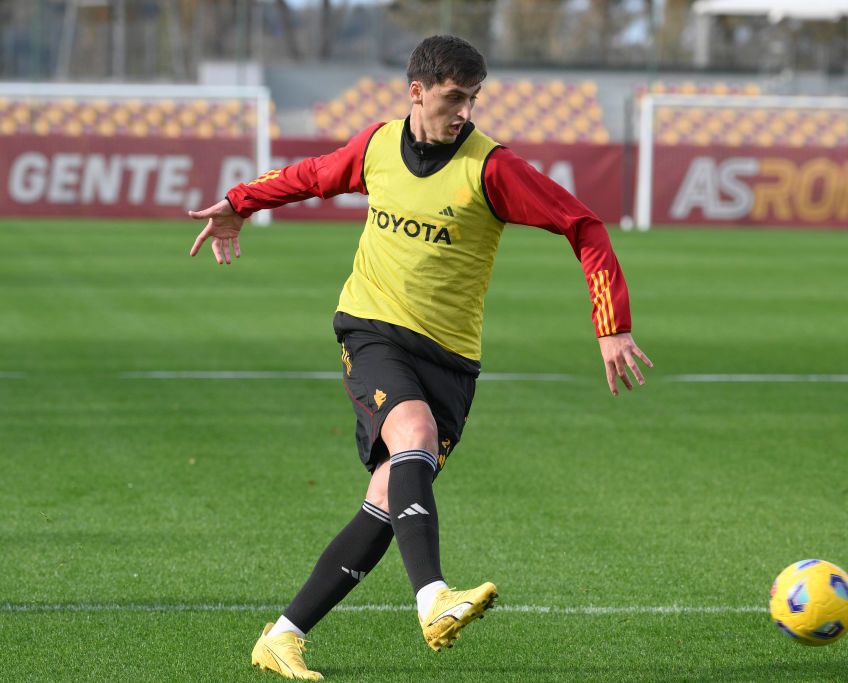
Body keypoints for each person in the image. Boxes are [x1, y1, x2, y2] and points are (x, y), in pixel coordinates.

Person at [188, 34, 652, 681]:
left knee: (387, 497)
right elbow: (311, 176)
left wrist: (611, 324)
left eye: (473, 99)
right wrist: (240, 202)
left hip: (451, 361)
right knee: (414, 432)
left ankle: (284, 635)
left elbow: (584, 225)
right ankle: (434, 599)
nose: (465, 111)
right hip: (371, 331)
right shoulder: (378, 146)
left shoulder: (492, 169)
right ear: (417, 92)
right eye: (454, 98)